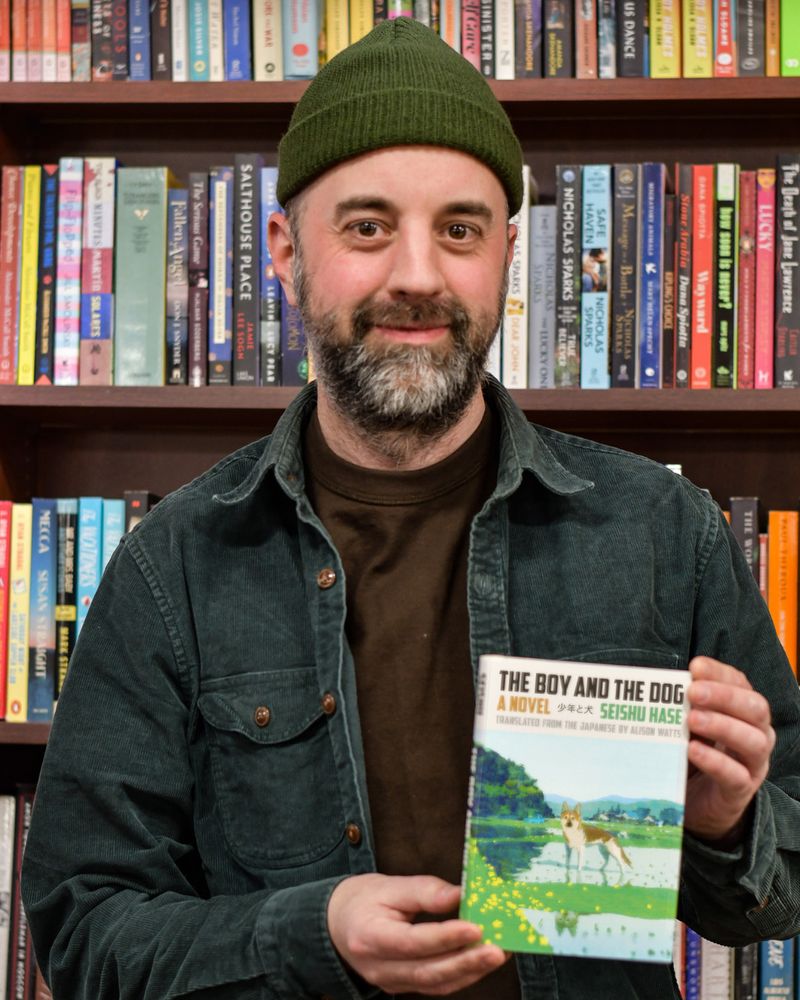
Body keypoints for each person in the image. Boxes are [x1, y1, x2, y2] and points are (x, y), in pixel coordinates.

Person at [21, 17, 800, 1000]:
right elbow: (84, 935)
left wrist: (726, 823)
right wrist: (309, 932)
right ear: (283, 251)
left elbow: (775, 890)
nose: (419, 276)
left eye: (460, 230)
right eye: (367, 226)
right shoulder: (170, 566)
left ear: (508, 256)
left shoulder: (663, 533)